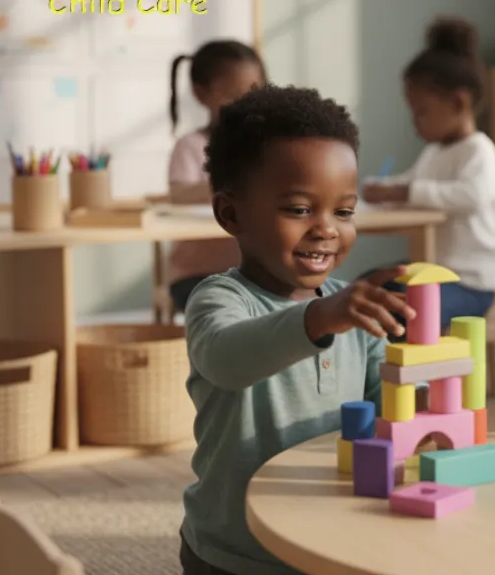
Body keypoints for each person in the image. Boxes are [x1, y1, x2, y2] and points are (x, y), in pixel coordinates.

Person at [179, 84, 412, 575]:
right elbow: (227, 357)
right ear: (231, 214)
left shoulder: (354, 309)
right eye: (299, 209)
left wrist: (428, 392)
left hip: (328, 542)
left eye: (344, 212)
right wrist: (323, 318)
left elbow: (388, 407)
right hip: (234, 553)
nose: (327, 228)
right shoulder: (220, 299)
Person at [361, 17, 495, 332]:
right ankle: (374, 372)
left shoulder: (479, 151)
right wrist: (384, 188)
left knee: (401, 305)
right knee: (365, 288)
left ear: (458, 102)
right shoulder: (435, 152)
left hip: (469, 286)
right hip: (430, 273)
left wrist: (402, 193)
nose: (415, 123)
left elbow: (468, 196)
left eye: (421, 111)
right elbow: (412, 183)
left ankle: (413, 376)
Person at [167, 40, 267, 313]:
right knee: (230, 313)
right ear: (201, 94)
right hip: (198, 275)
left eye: (254, 91)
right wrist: (238, 182)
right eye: (233, 95)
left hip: (257, 273)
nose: (246, 103)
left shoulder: (268, 148)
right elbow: (179, 195)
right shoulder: (191, 145)